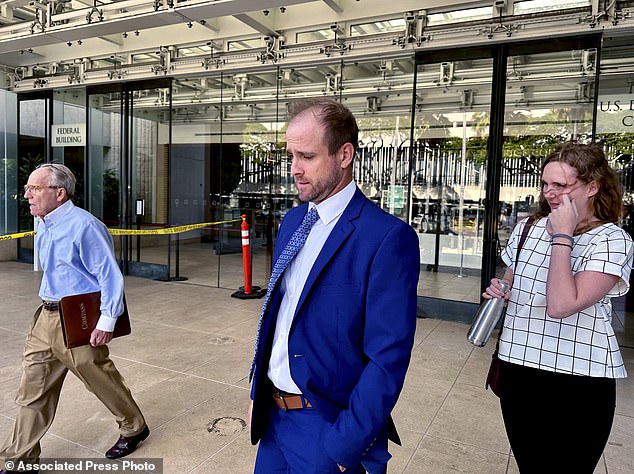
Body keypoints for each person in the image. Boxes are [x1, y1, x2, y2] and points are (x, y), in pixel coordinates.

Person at [247, 98, 420, 474]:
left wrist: (345, 445)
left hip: (326, 427)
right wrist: (259, 390)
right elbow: (282, 315)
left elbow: (388, 358)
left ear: (345, 155)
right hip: (273, 422)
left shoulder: (387, 238)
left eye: (307, 156)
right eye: (291, 155)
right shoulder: (293, 221)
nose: (294, 169)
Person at [483, 142, 633, 473]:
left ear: (592, 186)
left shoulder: (611, 240)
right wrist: (502, 289)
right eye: (546, 184)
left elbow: (563, 305)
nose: (550, 193)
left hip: (578, 380)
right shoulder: (528, 227)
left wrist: (562, 236)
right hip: (520, 366)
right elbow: (512, 279)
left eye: (561, 185)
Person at [0, 163, 149, 474]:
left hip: (78, 319)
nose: (27, 194)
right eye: (28, 188)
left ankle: (134, 426)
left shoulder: (85, 226)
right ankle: (19, 461)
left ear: (59, 192)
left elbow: (109, 276)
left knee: (100, 380)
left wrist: (107, 321)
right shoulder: (44, 221)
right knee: (32, 390)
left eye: (35, 188)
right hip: (46, 315)